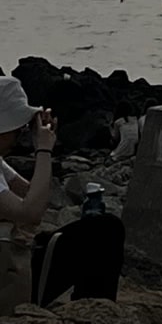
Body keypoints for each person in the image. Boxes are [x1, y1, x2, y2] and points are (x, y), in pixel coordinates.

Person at [0, 76, 123, 314]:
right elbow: (30, 213)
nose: (19, 134)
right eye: (16, 128)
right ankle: (93, 314)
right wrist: (44, 150)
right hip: (8, 280)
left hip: (8, 266)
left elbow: (31, 193)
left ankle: (90, 309)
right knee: (105, 233)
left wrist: (43, 138)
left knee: (97, 229)